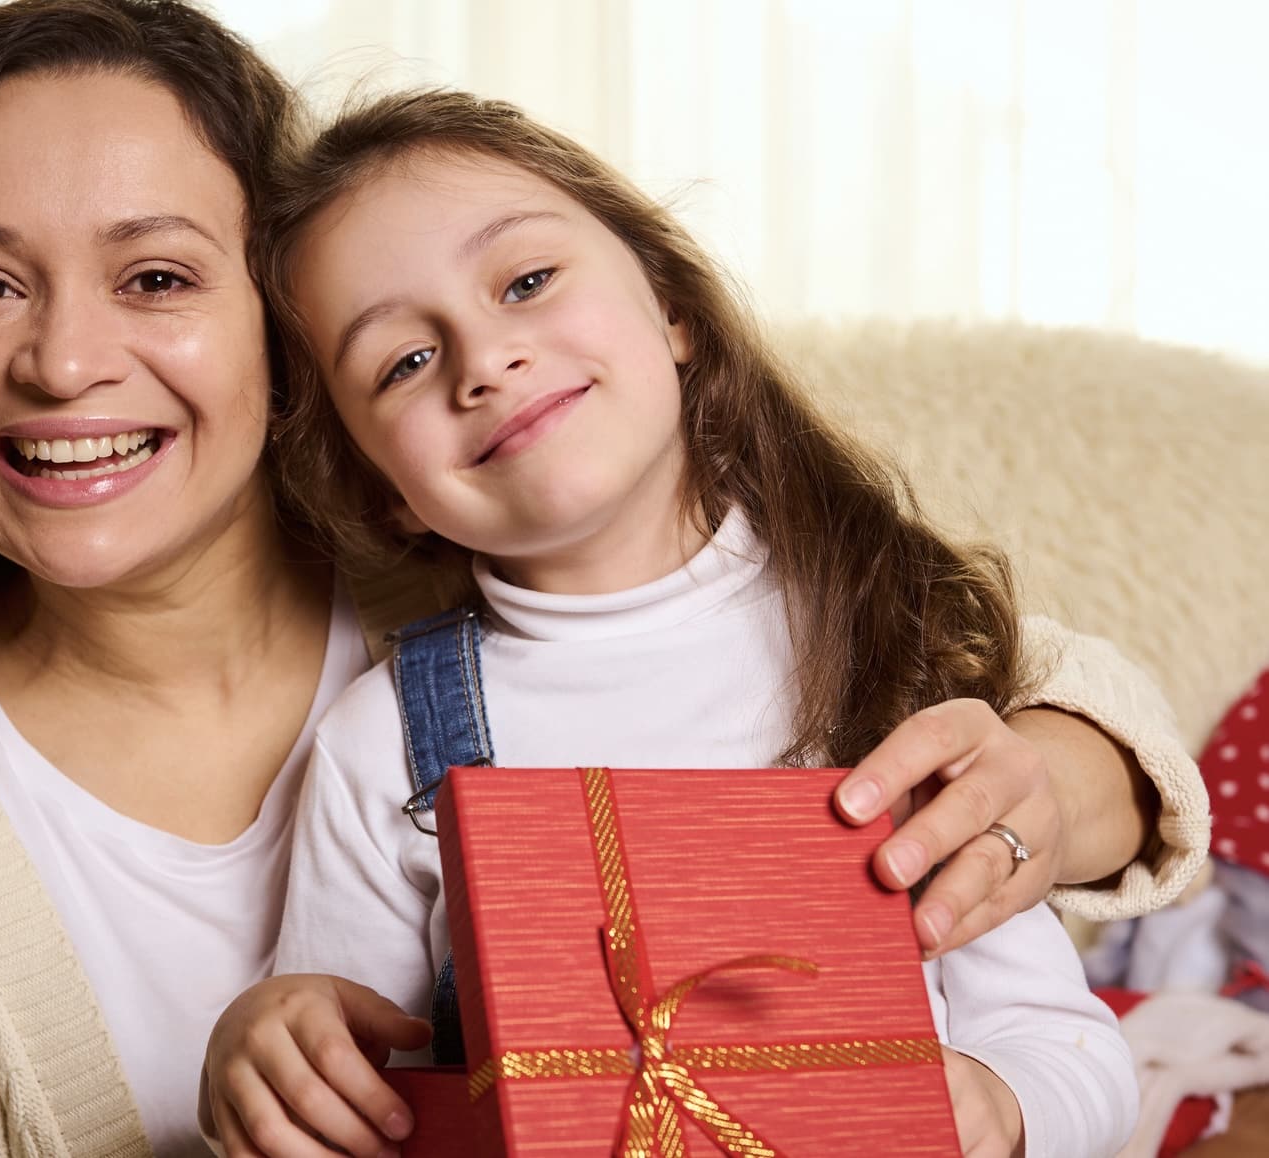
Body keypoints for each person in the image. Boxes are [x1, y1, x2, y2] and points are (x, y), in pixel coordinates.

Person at [0, 2, 1201, 1155]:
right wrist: (270, 1060)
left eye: (156, 276)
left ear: (274, 359)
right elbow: (350, 1072)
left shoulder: (565, 545)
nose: (65, 359)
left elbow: (1033, 702)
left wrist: (1051, 793)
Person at [198, 90, 1156, 1158]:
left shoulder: (890, 649)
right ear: (381, 489)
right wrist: (276, 1051)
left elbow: (1068, 1048)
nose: (483, 361)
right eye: (404, 364)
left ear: (672, 308)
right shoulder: (379, 747)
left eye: (526, 281)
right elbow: (358, 1089)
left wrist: (998, 1105)